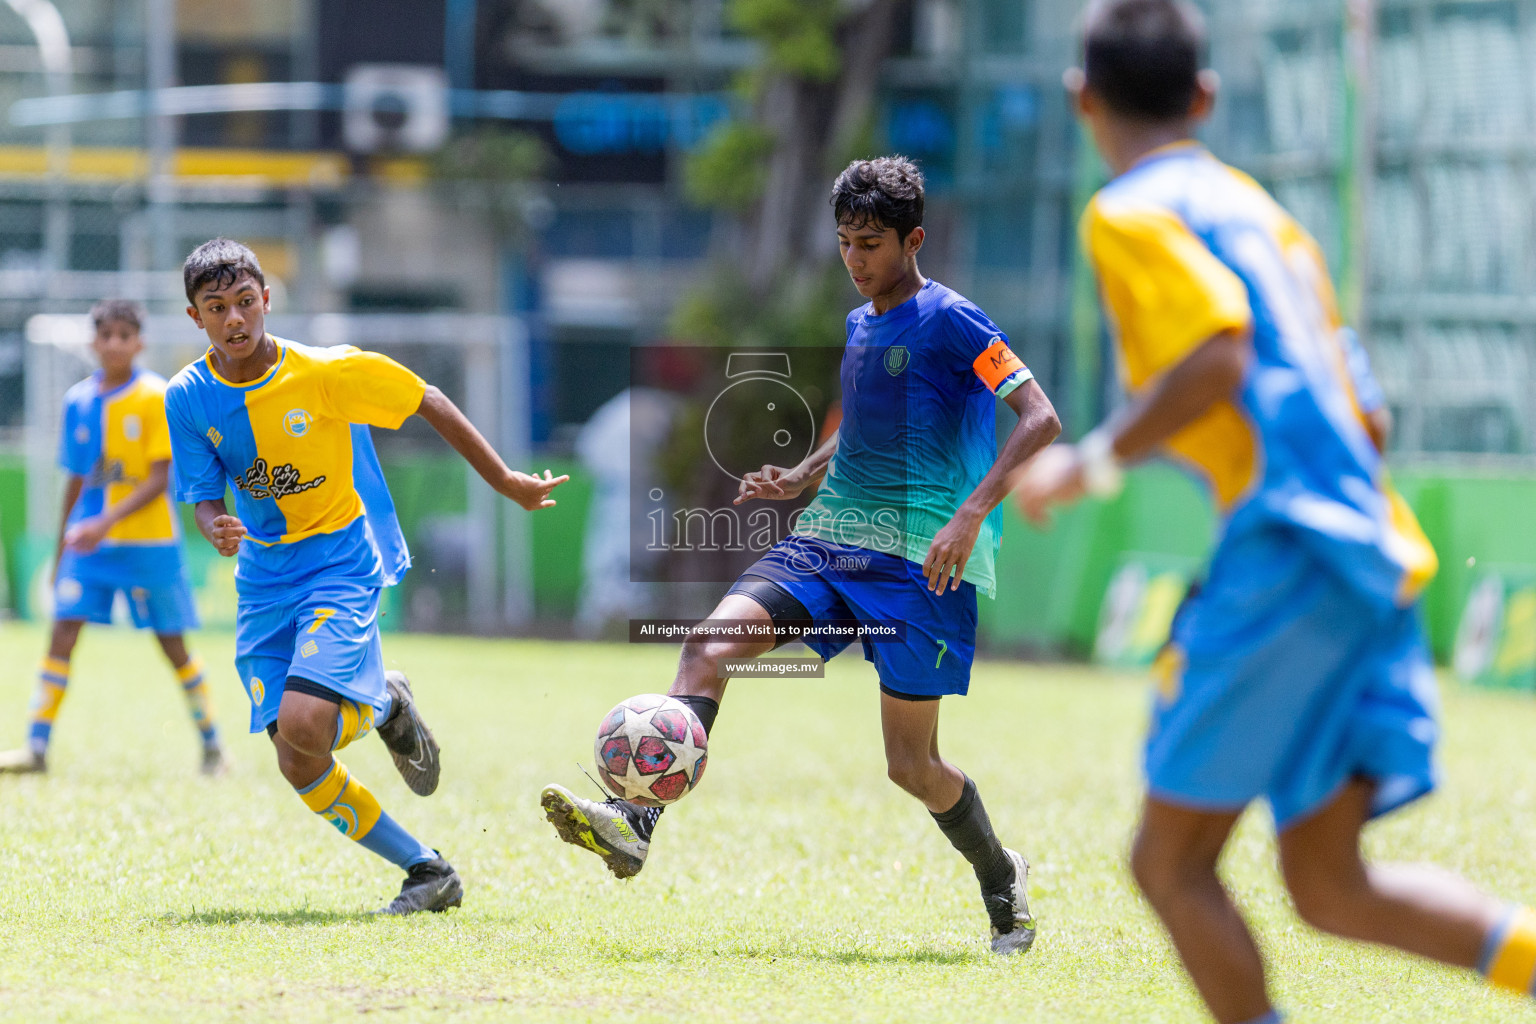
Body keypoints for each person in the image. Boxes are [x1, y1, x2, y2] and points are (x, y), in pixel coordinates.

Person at [1015, 2, 1536, 1019]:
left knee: (1169, 863)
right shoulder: (1265, 213)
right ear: (1205, 97)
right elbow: (1366, 411)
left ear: (1083, 100)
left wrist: (1092, 463)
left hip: (1290, 547)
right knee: (1331, 882)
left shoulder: (1128, 213)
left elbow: (1218, 354)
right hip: (1371, 549)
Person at [541, 157, 1061, 954]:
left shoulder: (958, 321)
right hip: (829, 540)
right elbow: (865, 419)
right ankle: (637, 823)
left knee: (911, 767)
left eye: (872, 244)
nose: (856, 260)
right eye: (846, 242)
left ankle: (1002, 878)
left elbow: (1039, 418)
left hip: (923, 563)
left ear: (912, 239)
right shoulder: (859, 325)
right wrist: (803, 474)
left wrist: (970, 515)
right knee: (709, 646)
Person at [164, 238, 567, 914]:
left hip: (338, 563)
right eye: (216, 308)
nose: (234, 319)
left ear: (266, 299)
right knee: (298, 756)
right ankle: (426, 870)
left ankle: (380, 702)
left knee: (303, 717)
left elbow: (425, 397)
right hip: (265, 579)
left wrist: (505, 481)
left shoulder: (324, 372)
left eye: (243, 302)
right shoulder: (187, 395)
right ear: (194, 317)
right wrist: (212, 523)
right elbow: (205, 492)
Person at [0, 299, 225, 776]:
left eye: (125, 335)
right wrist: (63, 546)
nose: (115, 344)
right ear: (94, 342)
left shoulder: (154, 397)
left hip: (150, 545)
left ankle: (212, 745)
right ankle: (35, 748)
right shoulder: (78, 401)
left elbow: (160, 478)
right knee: (62, 632)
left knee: (173, 645)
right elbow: (77, 481)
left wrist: (103, 522)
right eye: (107, 335)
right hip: (91, 547)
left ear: (140, 343)